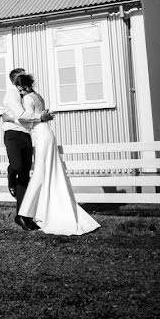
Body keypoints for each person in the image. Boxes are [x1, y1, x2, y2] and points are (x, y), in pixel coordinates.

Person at [15, 74, 100, 236]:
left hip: (41, 134)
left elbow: (27, 119)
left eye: (22, 89)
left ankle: (25, 213)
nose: (22, 92)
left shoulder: (27, 99)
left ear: (26, 86)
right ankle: (39, 210)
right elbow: (40, 115)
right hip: (47, 133)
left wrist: (20, 120)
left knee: (40, 172)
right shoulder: (38, 96)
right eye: (20, 90)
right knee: (47, 171)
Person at [1, 67, 52, 231]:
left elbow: (27, 120)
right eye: (19, 79)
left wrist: (35, 119)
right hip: (13, 134)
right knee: (17, 167)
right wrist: (39, 117)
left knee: (24, 175)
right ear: (14, 80)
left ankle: (22, 216)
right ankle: (10, 175)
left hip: (27, 135)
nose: (22, 82)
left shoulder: (28, 95)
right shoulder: (12, 94)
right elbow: (22, 115)